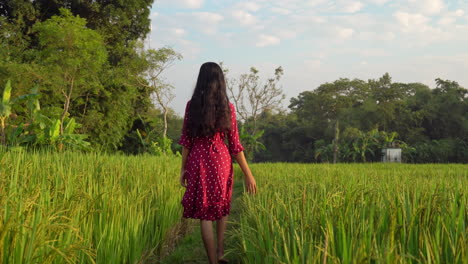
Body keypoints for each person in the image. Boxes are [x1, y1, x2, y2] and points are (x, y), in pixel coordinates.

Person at [178, 62, 257, 264]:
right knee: (222, 205)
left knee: (205, 214)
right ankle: (221, 252)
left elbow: (186, 140)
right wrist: (249, 174)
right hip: (221, 159)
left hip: (198, 160)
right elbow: (235, 145)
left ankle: (213, 261)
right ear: (220, 80)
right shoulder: (227, 107)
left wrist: (183, 169)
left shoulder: (191, 105)